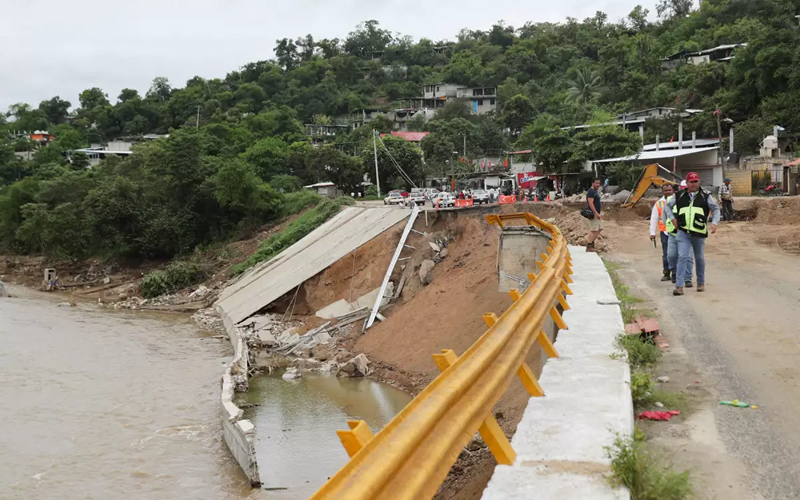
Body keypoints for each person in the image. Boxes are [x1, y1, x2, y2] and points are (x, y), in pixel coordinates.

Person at [664, 172, 721, 296]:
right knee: (682, 256)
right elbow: (667, 207)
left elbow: (715, 209)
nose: (694, 184)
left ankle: (700, 282)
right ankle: (679, 286)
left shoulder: (705, 195)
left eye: (696, 181)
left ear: (698, 182)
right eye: (691, 182)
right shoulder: (679, 195)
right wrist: (673, 219)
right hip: (683, 231)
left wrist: (715, 223)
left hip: (698, 232)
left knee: (699, 258)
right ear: (687, 182)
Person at [663, 183, 693, 287]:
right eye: (682, 188)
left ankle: (688, 278)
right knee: (671, 255)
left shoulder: (693, 200)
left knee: (687, 256)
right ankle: (674, 272)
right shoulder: (672, 200)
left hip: (687, 233)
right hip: (673, 233)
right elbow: (665, 214)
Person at [650, 184, 674, 281]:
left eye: (669, 190)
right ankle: (666, 272)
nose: (668, 192)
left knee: (676, 254)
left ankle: (676, 273)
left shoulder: (678, 201)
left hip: (676, 232)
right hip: (665, 232)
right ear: (662, 192)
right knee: (666, 254)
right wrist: (652, 232)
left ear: (672, 190)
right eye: (665, 190)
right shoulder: (659, 204)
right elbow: (654, 218)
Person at [586, 178, 603, 252]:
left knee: (600, 228)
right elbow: (590, 203)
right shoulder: (591, 192)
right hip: (593, 214)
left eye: (598, 183)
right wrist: (596, 213)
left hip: (597, 213)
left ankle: (591, 243)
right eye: (596, 183)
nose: (598, 185)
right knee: (593, 229)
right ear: (592, 183)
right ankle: (589, 246)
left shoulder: (595, 191)